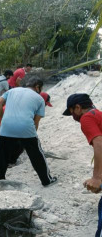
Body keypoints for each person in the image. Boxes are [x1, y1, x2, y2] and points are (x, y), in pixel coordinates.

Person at [0, 76, 56, 186]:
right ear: (37, 87)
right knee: (36, 155)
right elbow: (36, 122)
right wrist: (32, 136)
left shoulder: (11, 91)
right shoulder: (39, 98)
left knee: (1, 156)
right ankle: (46, 180)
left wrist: (3, 118)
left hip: (6, 127)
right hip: (26, 127)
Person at [62, 93, 102, 236]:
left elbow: (99, 143)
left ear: (78, 108)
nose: (73, 118)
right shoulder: (97, 114)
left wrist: (97, 178)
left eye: (72, 113)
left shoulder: (86, 118)